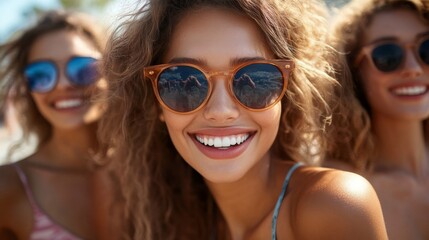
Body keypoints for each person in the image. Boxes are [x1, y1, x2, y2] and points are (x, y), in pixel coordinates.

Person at [99, 0, 388, 239]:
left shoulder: (333, 206)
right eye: (185, 82)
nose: (221, 110)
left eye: (255, 80)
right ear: (157, 105)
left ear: (286, 93)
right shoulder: (174, 223)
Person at [0, 10, 108, 239]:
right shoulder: (8, 186)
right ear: (29, 90)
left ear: (111, 72)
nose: (63, 84)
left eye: (83, 68)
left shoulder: (153, 168)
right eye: (41, 74)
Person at [329, 0, 429, 239]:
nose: (414, 68)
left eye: (427, 48)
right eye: (387, 55)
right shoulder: (338, 190)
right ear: (352, 72)